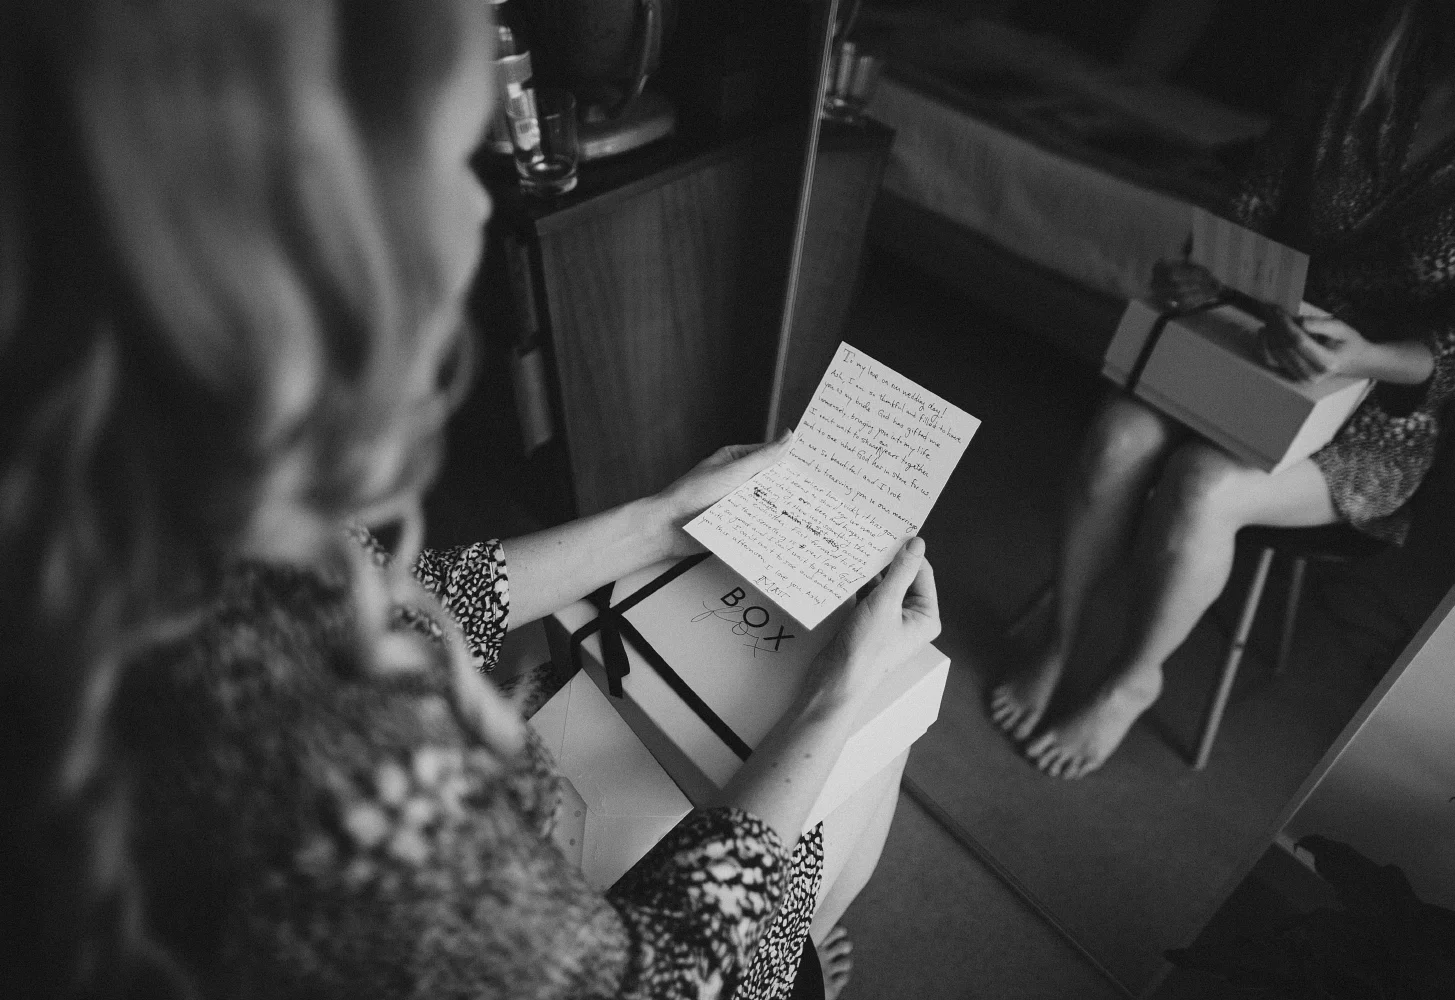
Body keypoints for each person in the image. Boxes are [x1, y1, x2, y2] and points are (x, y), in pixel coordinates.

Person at [0, 1, 940, 998]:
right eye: (455, 163)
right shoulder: (344, 778)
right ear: (299, 255)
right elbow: (653, 985)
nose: (479, 212)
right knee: (809, 851)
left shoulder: (121, 492)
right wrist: (838, 689)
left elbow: (395, 596)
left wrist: (659, 520)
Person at [989, 0, 1455, 779]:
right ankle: (1062, 632)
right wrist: (1210, 268)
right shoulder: (1365, 59)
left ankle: (1133, 679)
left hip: (1383, 411)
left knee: (1203, 484)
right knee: (1117, 437)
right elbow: (1256, 192)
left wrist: (1366, 355)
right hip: (1259, 335)